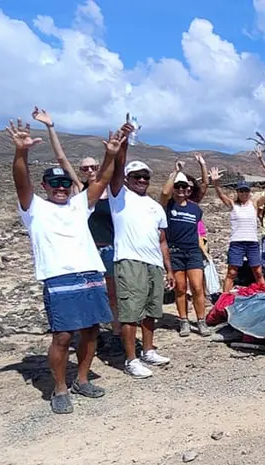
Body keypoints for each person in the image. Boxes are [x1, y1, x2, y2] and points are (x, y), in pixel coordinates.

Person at [8, 118, 123, 414]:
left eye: (64, 183)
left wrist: (111, 154)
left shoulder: (78, 204)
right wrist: (21, 152)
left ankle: (82, 380)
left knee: (91, 331)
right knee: (62, 336)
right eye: (54, 183)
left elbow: (101, 182)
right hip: (59, 278)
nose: (60, 188)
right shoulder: (34, 208)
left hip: (90, 274)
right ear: (45, 186)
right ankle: (59, 387)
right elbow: (21, 180)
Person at [30, 107, 117, 322]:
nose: (89, 171)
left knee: (113, 293)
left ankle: (114, 328)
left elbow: (108, 175)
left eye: (93, 167)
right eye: (85, 168)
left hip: (110, 247)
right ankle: (92, 330)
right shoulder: (78, 191)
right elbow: (61, 159)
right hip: (88, 251)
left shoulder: (112, 191)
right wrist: (51, 127)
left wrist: (113, 153)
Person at [107, 120, 175, 380]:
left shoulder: (156, 207)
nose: (142, 180)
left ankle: (148, 349)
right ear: (128, 179)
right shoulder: (119, 196)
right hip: (129, 261)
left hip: (154, 263)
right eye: (137, 176)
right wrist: (124, 140)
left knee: (150, 311)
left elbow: (162, 241)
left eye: (146, 176)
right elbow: (116, 168)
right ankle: (130, 358)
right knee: (130, 313)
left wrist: (168, 268)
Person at [160, 165, 209, 337]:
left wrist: (202, 165)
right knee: (180, 288)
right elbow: (164, 193)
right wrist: (174, 173)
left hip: (193, 251)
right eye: (177, 186)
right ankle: (183, 321)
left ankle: (201, 321)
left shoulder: (195, 208)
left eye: (184, 186)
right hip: (175, 251)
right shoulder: (167, 205)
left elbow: (204, 186)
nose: (181, 189)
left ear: (189, 189)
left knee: (197, 287)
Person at [212, 170, 264, 293]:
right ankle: (223, 299)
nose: (243, 193)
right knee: (232, 272)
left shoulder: (254, 204)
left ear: (249, 192)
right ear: (237, 192)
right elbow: (221, 195)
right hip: (237, 243)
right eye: (241, 191)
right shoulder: (233, 205)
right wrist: (216, 183)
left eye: (246, 191)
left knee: (258, 271)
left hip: (252, 243)